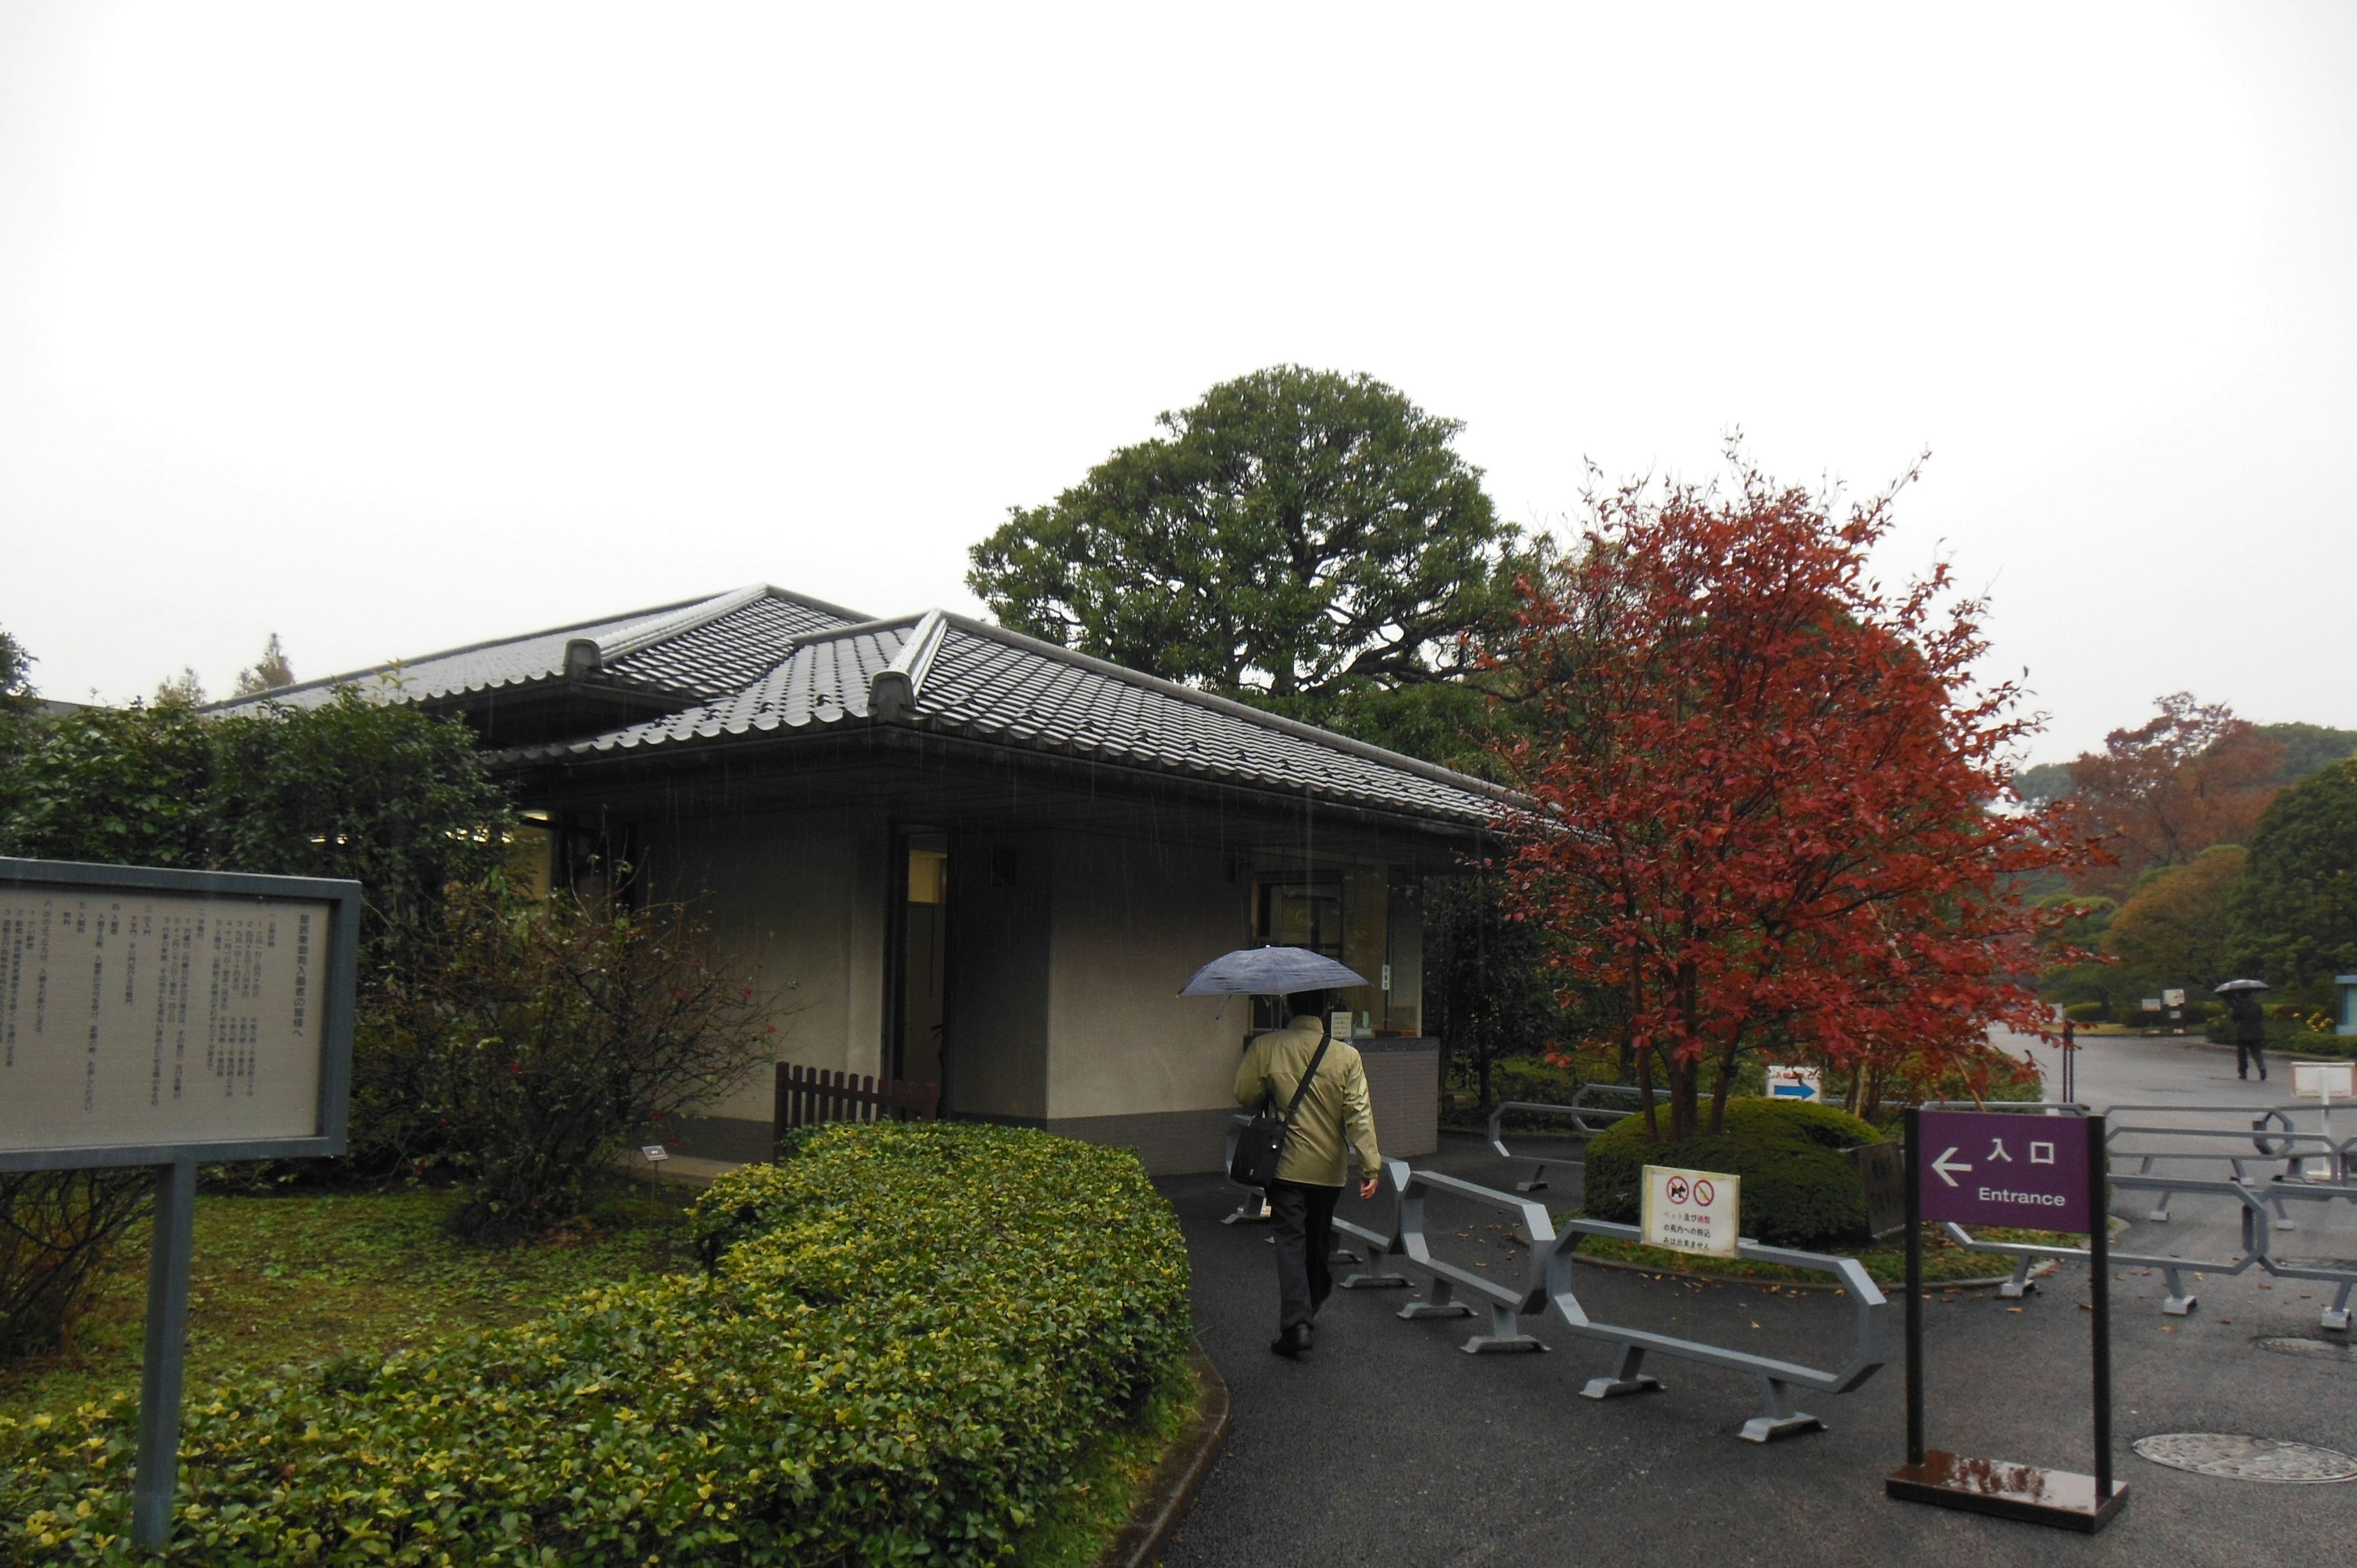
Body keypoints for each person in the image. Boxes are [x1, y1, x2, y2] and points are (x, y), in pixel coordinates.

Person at [1234, 992, 1382, 1358]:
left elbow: (1244, 1094)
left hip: (1283, 1165)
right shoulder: (1347, 1056)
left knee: (1290, 1241)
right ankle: (1310, 1304)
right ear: (1326, 1010)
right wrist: (1370, 1165)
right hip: (1328, 1170)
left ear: (1288, 1007)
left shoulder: (1266, 1046)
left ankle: (1297, 1324)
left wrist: (1269, 1076)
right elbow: (1358, 1114)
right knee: (1317, 1241)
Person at [2227, 989, 2269, 1082]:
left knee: (2242, 1054)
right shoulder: (2257, 1006)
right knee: (2257, 1052)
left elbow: (2235, 1019)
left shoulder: (2238, 1007)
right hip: (2257, 1032)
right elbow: (2261, 1017)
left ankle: (2243, 1072)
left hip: (2243, 1033)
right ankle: (2262, 1069)